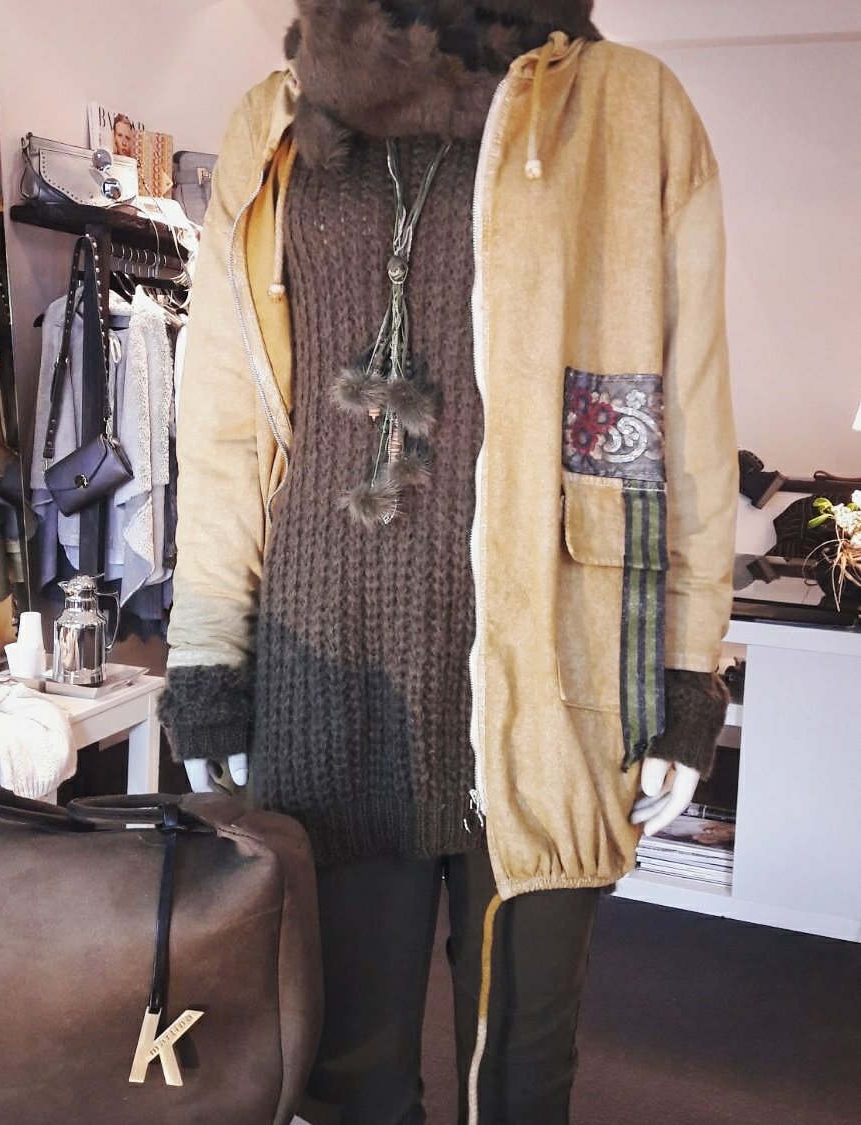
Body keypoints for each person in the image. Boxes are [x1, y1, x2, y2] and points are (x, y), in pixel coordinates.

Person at [160, 2, 737, 1122]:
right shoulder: (274, 120)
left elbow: (683, 415)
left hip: (553, 666)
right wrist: (209, 655)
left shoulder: (626, 106)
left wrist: (682, 670)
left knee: (521, 1072)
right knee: (344, 1074)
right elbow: (226, 423)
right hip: (326, 663)